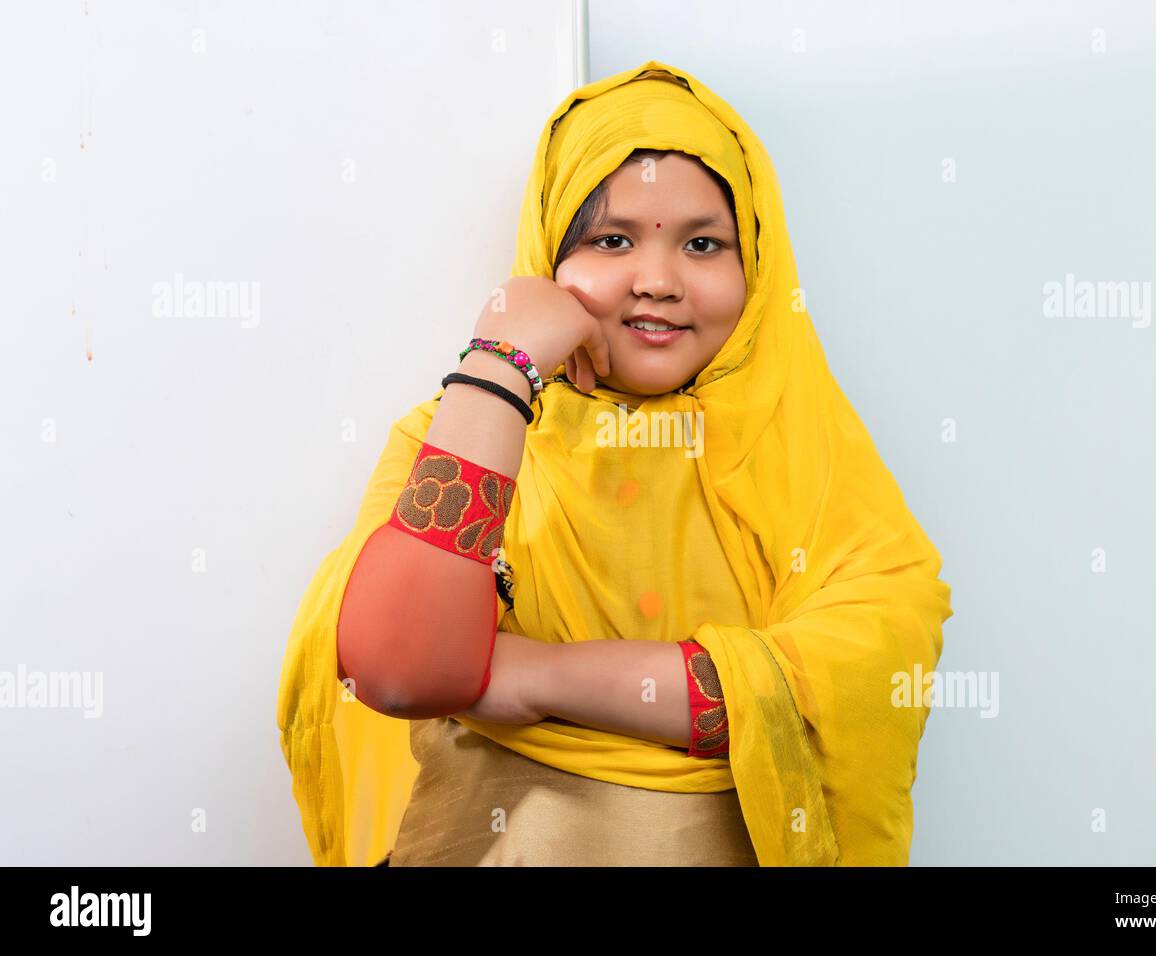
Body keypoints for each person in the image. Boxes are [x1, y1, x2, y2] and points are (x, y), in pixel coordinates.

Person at [276, 59, 954, 867]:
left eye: (703, 244)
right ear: (549, 254)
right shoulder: (461, 430)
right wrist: (501, 363)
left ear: (758, 269)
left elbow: (856, 682)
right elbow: (397, 672)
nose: (658, 281)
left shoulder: (803, 449)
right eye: (611, 240)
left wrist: (532, 679)